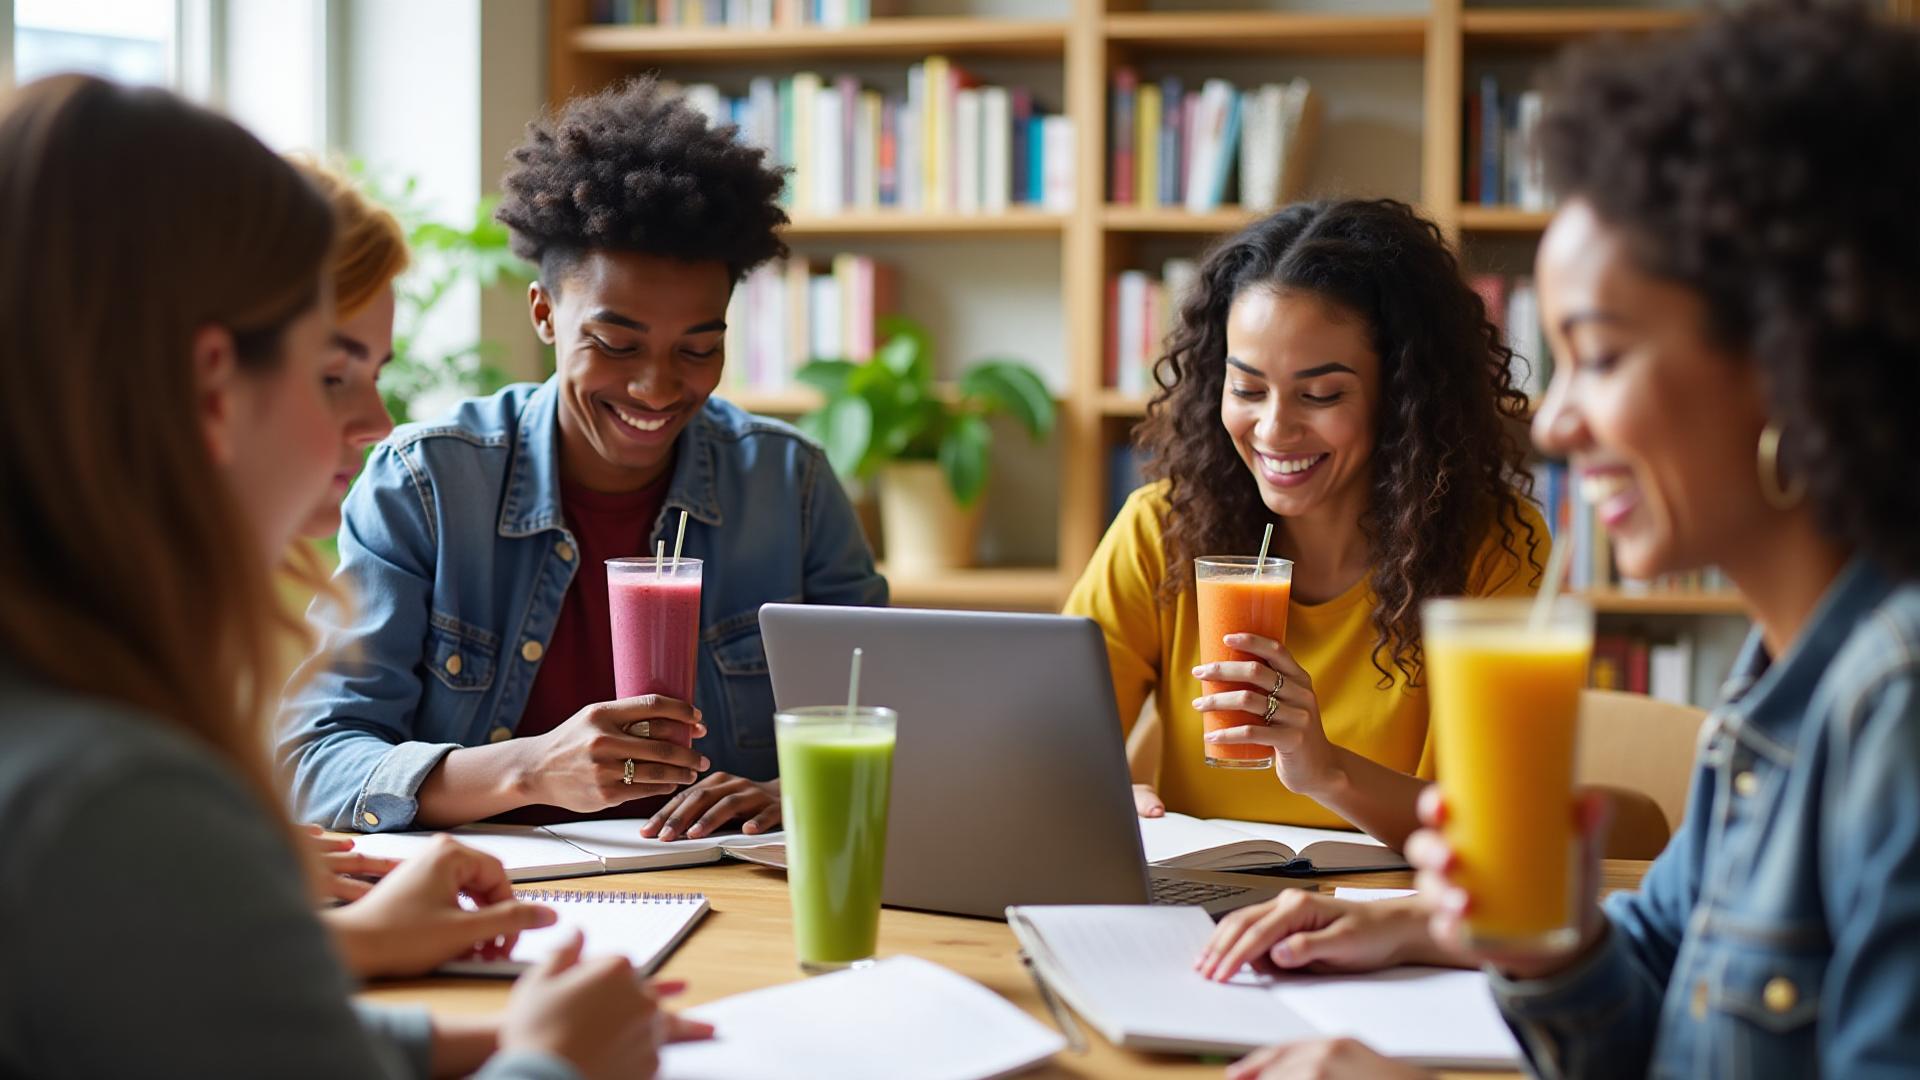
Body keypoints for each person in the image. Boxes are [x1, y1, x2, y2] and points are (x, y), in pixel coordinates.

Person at [1201, 4, 1920, 1076]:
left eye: (1603, 354)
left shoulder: (1896, 706)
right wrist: (1543, 944)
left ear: (1789, 356)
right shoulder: (1776, 687)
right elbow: (1657, 992)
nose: (1559, 419)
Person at [0, 74, 697, 1077]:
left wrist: (476, 1023)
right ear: (210, 388)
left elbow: (173, 1026)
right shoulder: (114, 797)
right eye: (330, 373)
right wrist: (555, 1063)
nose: (370, 424)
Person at [278, 76, 887, 837]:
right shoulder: (425, 486)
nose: (656, 387)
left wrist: (797, 795)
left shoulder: (789, 486)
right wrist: (530, 769)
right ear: (544, 314)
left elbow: (884, 725)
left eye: (699, 348)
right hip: (497, 898)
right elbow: (313, 760)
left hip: (738, 897)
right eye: (616, 344)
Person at [1065, 199, 1547, 846]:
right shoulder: (1162, 528)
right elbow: (1047, 743)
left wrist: (1325, 770)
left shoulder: (1495, 551)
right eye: (1247, 389)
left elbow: (1489, 825)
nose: (1273, 430)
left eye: (1320, 395)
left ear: (1402, 398)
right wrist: (1093, 794)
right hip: (1200, 926)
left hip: (1395, 927)